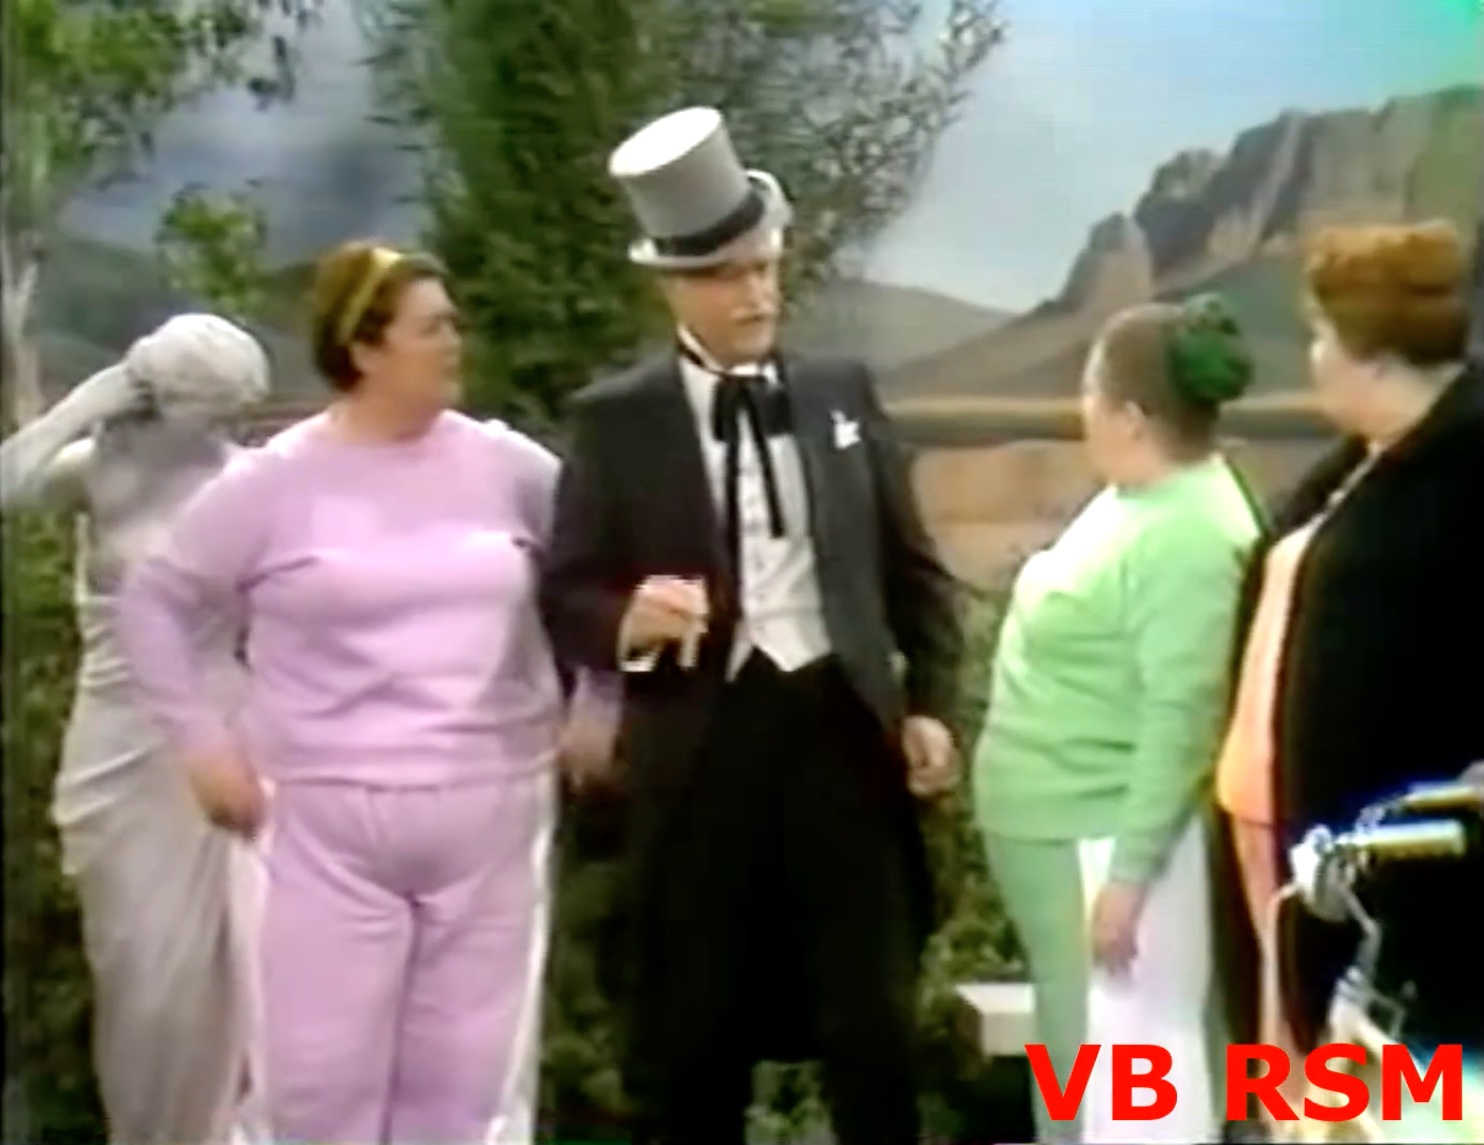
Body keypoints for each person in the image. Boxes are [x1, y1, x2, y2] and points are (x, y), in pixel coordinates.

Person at [539, 106, 964, 1145]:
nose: (757, 294)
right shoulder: (616, 418)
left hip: (841, 737)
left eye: (766, 268)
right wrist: (629, 621)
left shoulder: (840, 393)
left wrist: (929, 706)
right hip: (699, 751)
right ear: (674, 286)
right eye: (729, 276)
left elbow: (912, 571)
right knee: (695, 1037)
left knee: (870, 1023)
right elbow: (567, 592)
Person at [117, 241, 584, 1145]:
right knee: (316, 1093)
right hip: (318, 825)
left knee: (466, 1098)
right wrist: (202, 744)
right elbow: (154, 603)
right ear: (364, 349)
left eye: (453, 323)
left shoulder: (509, 467)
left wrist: (599, 697)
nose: (455, 341)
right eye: (431, 327)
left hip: (490, 812)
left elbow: (597, 576)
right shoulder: (273, 482)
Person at [973, 296, 1263, 1145]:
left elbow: (1184, 715)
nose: (1083, 410)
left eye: (1090, 392)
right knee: (1083, 1075)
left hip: (1106, 842)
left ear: (1131, 415)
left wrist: (1129, 878)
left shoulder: (1191, 534)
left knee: (1128, 1096)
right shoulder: (1142, 497)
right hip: (1068, 832)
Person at [1212, 219, 1484, 1071]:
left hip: (1391, 864)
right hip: (1281, 840)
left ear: (1371, 354)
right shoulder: (1354, 465)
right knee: (1292, 1077)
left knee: (1370, 1087)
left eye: (1323, 337)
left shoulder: (1466, 467)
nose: (1314, 357)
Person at [0, 314, 270, 1145]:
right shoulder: (98, 470)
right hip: (118, 743)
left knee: (235, 970)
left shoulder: (250, 480)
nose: (227, 418)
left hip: (221, 743)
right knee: (141, 975)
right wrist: (86, 403)